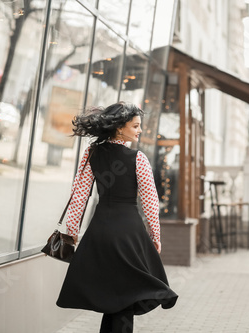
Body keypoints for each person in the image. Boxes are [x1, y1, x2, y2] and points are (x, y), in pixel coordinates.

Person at [56, 102, 178, 332]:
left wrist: (72, 233)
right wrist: (155, 236)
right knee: (127, 294)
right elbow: (151, 202)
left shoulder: (92, 153)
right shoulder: (137, 158)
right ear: (120, 128)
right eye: (135, 126)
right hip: (128, 233)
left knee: (114, 296)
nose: (139, 130)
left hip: (100, 232)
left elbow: (79, 196)